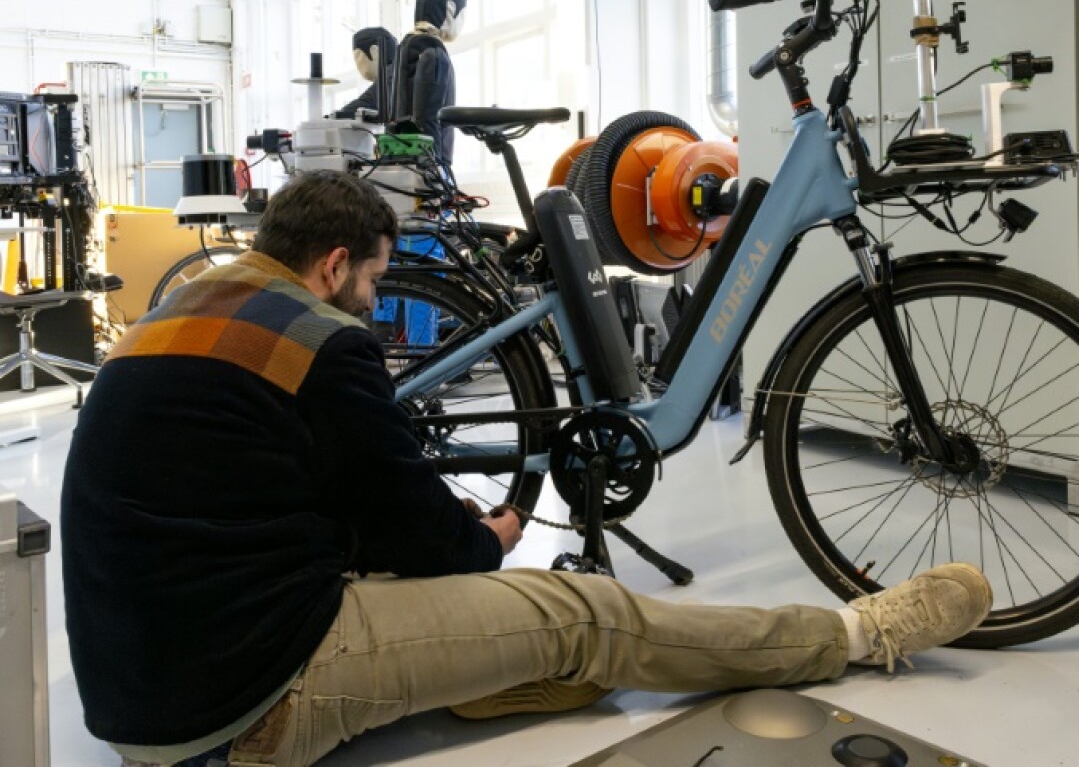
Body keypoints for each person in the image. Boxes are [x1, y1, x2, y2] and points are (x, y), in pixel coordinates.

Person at [60, 169, 993, 767]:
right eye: (375, 279)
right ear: (334, 264)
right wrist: (488, 540)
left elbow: (280, 493)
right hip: (240, 713)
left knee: (534, 633)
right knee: (588, 613)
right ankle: (856, 634)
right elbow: (421, 537)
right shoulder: (320, 339)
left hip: (145, 692)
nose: (375, 301)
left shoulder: (172, 315)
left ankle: (491, 670)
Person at [390, 0, 467, 166]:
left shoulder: (405, 47)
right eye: (462, 14)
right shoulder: (433, 53)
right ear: (450, 10)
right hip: (428, 162)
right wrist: (436, 169)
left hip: (402, 157)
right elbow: (428, 119)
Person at [333, 27, 400, 123]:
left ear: (374, 52)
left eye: (357, 56)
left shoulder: (391, 78)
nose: (357, 64)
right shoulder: (399, 73)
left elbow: (365, 104)